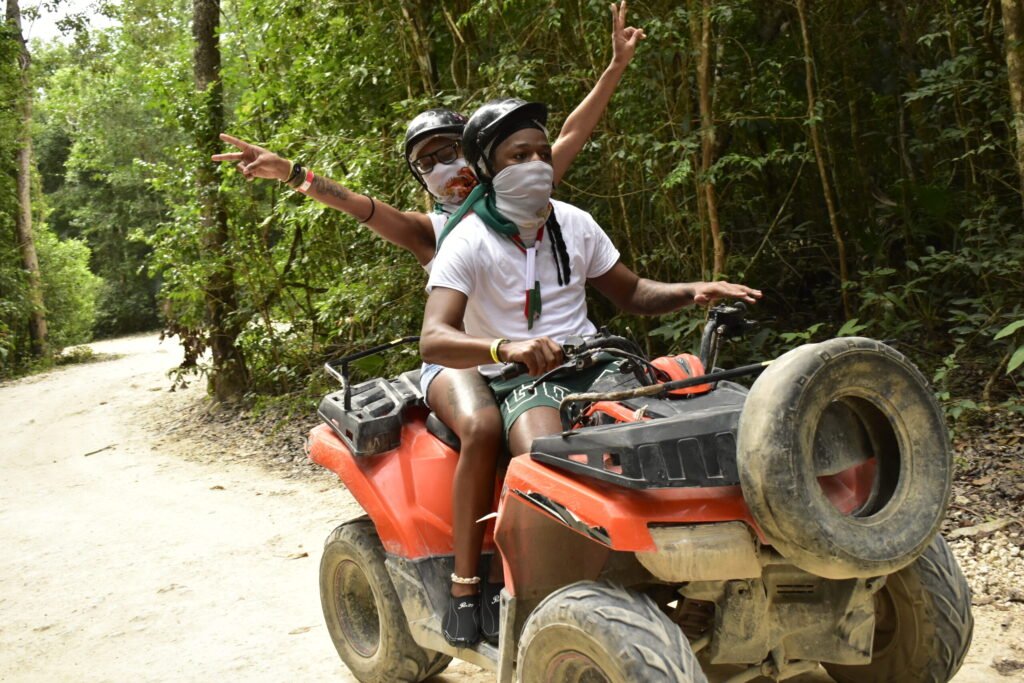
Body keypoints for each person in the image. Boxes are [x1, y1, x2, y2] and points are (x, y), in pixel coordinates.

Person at [213, 3, 646, 648]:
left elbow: (574, 135)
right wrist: (293, 173)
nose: (446, 167)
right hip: (462, 357)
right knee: (479, 426)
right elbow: (357, 205)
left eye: (452, 150)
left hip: (539, 356)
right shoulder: (434, 229)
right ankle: (468, 586)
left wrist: (614, 68)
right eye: (429, 160)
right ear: (419, 175)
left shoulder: (521, 190)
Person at [420, 99, 761, 629]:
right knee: (547, 457)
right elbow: (434, 338)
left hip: (597, 361)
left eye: (540, 151)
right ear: (487, 167)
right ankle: (517, 586)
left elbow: (633, 292)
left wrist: (695, 289)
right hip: (521, 377)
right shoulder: (465, 240)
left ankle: (698, 576)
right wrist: (505, 347)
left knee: (679, 428)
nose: (535, 163)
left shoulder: (575, 222)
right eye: (518, 155)